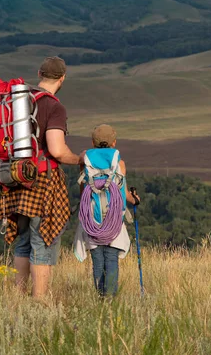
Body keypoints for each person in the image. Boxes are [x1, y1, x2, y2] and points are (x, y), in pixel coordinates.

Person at [0, 56, 83, 298]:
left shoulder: (17, 100)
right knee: (44, 240)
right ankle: (39, 301)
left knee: (23, 240)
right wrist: (79, 158)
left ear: (39, 73)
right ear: (62, 78)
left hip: (15, 177)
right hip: (42, 181)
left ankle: (17, 297)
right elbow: (56, 149)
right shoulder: (54, 106)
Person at [73, 124, 139, 297]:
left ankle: (100, 297)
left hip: (92, 215)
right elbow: (123, 192)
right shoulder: (120, 163)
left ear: (92, 143)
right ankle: (110, 298)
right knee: (111, 258)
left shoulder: (85, 162)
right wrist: (135, 199)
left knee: (97, 260)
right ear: (114, 142)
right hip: (113, 215)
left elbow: (83, 191)